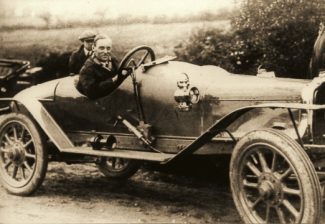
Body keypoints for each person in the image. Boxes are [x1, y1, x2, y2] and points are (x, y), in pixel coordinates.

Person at [77, 34, 128, 99]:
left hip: (113, 97)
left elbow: (120, 71)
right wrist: (113, 80)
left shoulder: (112, 59)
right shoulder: (87, 69)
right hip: (98, 102)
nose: (106, 52)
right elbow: (91, 92)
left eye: (108, 48)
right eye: (101, 48)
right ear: (93, 48)